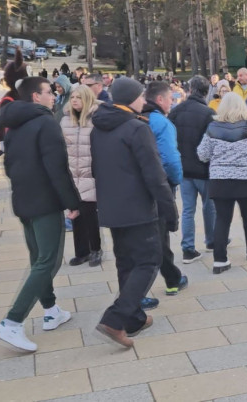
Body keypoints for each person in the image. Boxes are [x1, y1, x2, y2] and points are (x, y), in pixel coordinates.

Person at [0, 77, 80, 352]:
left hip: (24, 202)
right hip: (44, 203)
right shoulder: (45, 123)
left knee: (38, 260)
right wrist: (72, 201)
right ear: (35, 97)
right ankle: (12, 322)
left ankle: (51, 310)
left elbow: (11, 165)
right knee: (48, 262)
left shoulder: (14, 125)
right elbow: (57, 168)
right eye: (48, 92)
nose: (53, 96)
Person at [90, 77, 178, 347]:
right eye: (140, 96)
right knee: (148, 262)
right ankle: (115, 319)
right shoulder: (136, 129)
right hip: (139, 209)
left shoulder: (99, 127)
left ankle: (134, 318)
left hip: (113, 208)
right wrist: (170, 211)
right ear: (130, 99)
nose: (144, 101)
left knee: (126, 263)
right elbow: (155, 175)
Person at [197, 93, 247, 274]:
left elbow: (202, 154)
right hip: (246, 179)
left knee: (222, 219)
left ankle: (220, 260)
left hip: (220, 181)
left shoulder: (212, 127)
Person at [143, 81, 188, 305]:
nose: (173, 102)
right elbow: (170, 159)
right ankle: (171, 279)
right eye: (170, 98)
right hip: (159, 184)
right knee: (160, 235)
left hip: (135, 188)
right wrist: (177, 180)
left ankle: (172, 277)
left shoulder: (133, 118)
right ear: (160, 100)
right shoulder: (161, 122)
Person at [168, 75, 217, 262]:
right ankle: (211, 240)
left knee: (188, 209)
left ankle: (188, 248)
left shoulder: (176, 111)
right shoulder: (208, 113)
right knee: (209, 205)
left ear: (189, 90)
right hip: (204, 169)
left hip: (183, 168)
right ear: (206, 93)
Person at [60, 85, 103, 267]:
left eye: (78, 97)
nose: (74, 100)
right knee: (75, 213)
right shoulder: (64, 121)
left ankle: (96, 249)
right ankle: (81, 251)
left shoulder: (96, 119)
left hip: (89, 173)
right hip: (72, 174)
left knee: (89, 214)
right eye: (72, 97)